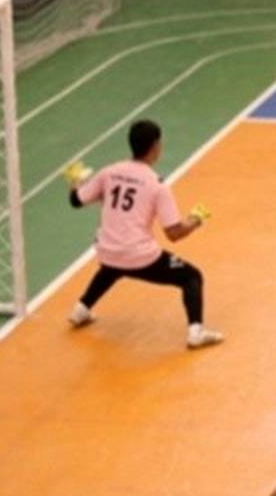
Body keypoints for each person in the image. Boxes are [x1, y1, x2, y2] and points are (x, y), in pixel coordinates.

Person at [63, 120, 223, 350]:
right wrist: (195, 220)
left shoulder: (109, 172)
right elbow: (174, 233)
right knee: (192, 277)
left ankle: (80, 310)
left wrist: (75, 181)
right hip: (140, 257)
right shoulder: (157, 184)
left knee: (112, 268)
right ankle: (196, 332)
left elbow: (76, 200)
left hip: (107, 251)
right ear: (155, 146)